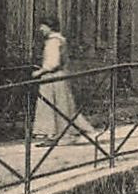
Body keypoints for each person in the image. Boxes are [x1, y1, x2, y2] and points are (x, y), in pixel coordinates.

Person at [32, 18, 101, 147]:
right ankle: (68, 132)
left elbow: (52, 63)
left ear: (49, 27)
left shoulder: (53, 42)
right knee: (63, 106)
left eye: (43, 26)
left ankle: (55, 135)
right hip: (60, 76)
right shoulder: (60, 40)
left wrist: (39, 72)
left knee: (53, 106)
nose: (41, 29)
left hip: (52, 78)